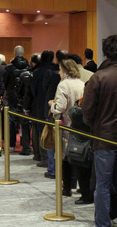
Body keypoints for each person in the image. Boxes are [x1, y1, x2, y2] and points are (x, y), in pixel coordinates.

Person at [82, 35, 117, 227]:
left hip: (104, 137)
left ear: (105, 52)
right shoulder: (100, 75)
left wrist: (95, 125)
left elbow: (87, 112)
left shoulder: (99, 77)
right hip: (108, 136)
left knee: (103, 185)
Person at [48, 59, 85, 196]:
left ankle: (67, 187)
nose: (59, 72)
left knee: (65, 158)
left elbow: (61, 106)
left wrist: (52, 105)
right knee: (80, 156)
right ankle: (82, 186)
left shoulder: (63, 85)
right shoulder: (81, 84)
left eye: (60, 69)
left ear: (65, 70)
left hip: (66, 125)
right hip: (81, 125)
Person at [43, 50, 68, 179]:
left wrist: (51, 105)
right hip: (71, 118)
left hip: (57, 115)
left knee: (53, 142)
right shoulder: (79, 80)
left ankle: (53, 169)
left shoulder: (57, 78)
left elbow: (48, 94)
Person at [4, 45, 29, 152]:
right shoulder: (29, 66)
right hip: (24, 97)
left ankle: (11, 145)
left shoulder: (9, 68)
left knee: (11, 121)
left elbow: (4, 83)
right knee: (26, 121)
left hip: (12, 97)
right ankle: (26, 145)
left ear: (14, 53)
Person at [20, 53, 41, 156]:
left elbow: (28, 93)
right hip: (44, 105)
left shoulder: (31, 74)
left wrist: (26, 108)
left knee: (35, 129)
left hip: (33, 106)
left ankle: (35, 153)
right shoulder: (49, 72)